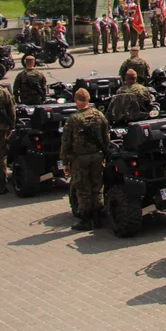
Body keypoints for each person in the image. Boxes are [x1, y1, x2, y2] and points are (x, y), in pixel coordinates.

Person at [61, 88, 110, 230]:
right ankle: (98, 217)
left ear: (77, 101)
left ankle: (86, 219)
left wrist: (66, 162)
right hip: (97, 156)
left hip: (80, 158)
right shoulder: (99, 115)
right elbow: (106, 137)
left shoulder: (74, 119)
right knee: (97, 186)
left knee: (82, 188)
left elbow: (66, 142)